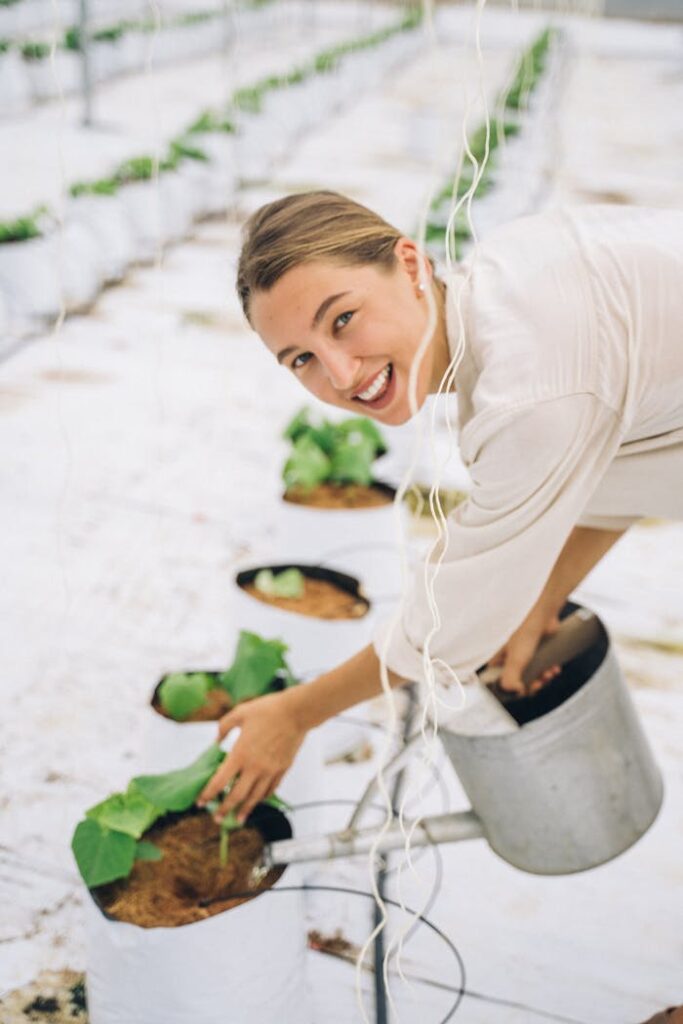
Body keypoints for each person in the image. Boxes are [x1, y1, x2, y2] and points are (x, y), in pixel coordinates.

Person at [198, 190, 683, 824]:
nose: (341, 375)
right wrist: (540, 597)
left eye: (342, 319)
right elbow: (624, 458)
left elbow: (453, 621)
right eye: (302, 360)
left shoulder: (527, 387)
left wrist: (297, 713)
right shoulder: (506, 277)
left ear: (409, 263)